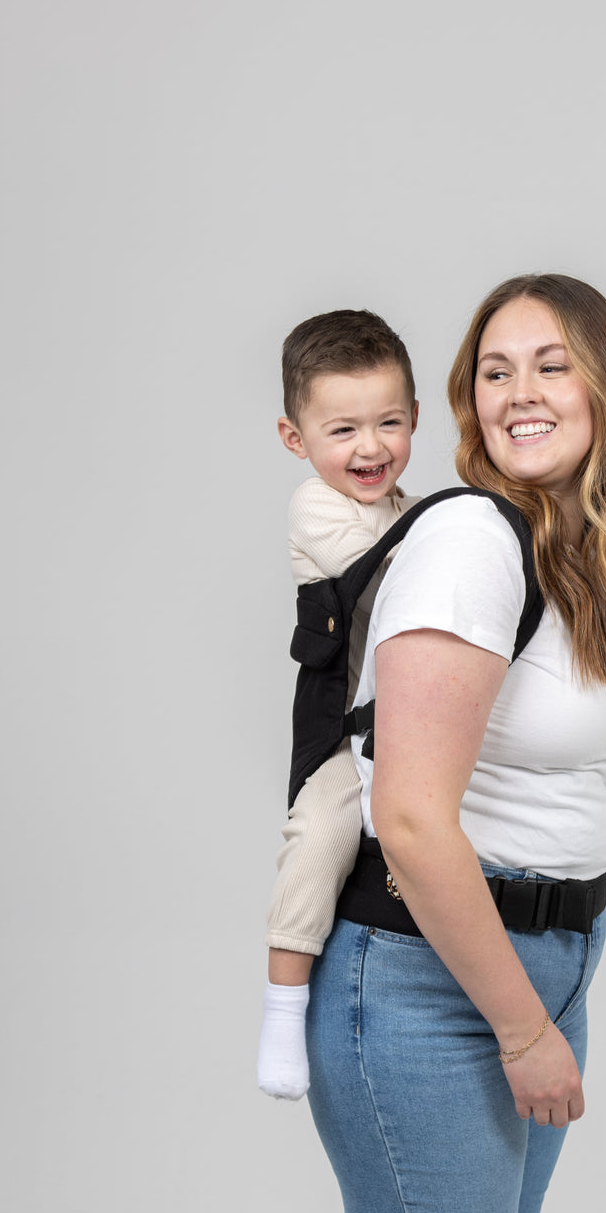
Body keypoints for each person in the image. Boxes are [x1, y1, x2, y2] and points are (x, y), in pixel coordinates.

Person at [303, 274, 606, 1213]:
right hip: (432, 984)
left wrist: (552, 994)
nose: (518, 391)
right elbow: (412, 820)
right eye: (494, 370)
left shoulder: (592, 556)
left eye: (549, 363)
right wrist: (524, 1028)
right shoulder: (472, 543)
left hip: (543, 963)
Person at [257, 308, 419, 1101]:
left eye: (388, 422)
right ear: (296, 438)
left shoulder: (413, 509)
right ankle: (283, 1008)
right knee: (321, 831)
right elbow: (396, 577)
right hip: (345, 725)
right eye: (343, 429)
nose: (370, 447)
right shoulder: (317, 506)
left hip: (410, 721)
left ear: (415, 417)